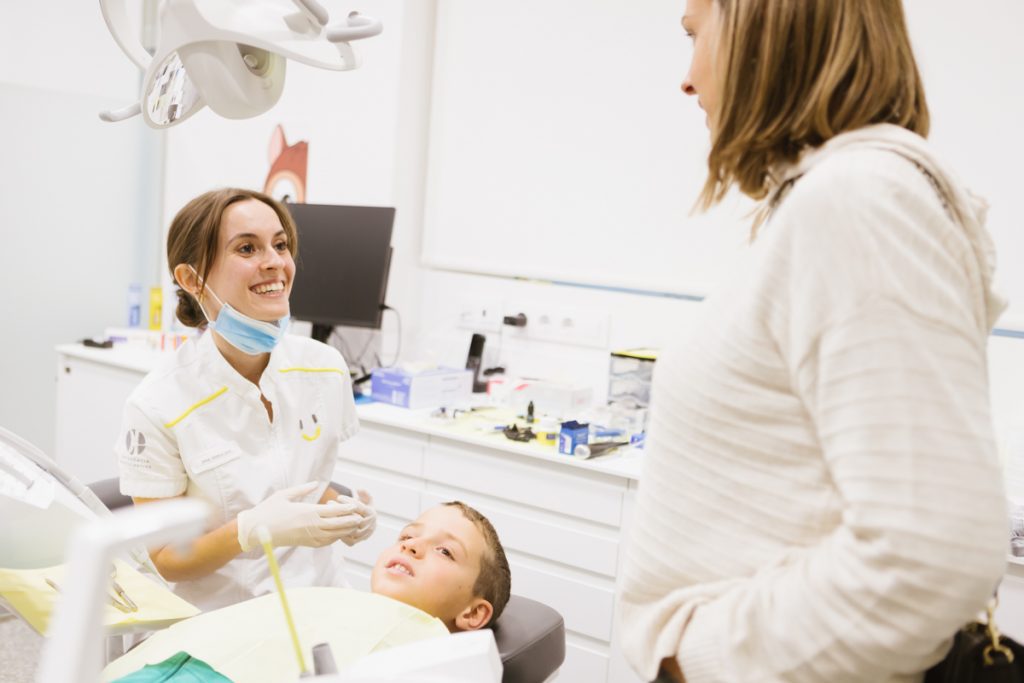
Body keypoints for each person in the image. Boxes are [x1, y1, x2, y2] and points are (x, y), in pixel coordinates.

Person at [616, 1, 1009, 682]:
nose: (686, 78)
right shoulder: (830, 200)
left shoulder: (859, 199)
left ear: (761, 25)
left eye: (694, 36)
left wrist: (698, 658)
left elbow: (929, 553)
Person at [115, 188, 377, 613]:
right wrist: (248, 530)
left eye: (280, 244)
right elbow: (165, 558)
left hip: (321, 602)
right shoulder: (158, 403)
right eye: (247, 248)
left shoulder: (325, 368)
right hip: (222, 619)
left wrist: (344, 512)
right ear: (191, 279)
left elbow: (301, 477)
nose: (274, 261)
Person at [102, 502, 512, 682]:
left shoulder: (430, 652)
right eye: (408, 535)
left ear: (474, 614)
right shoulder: (330, 598)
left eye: (444, 550)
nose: (412, 545)